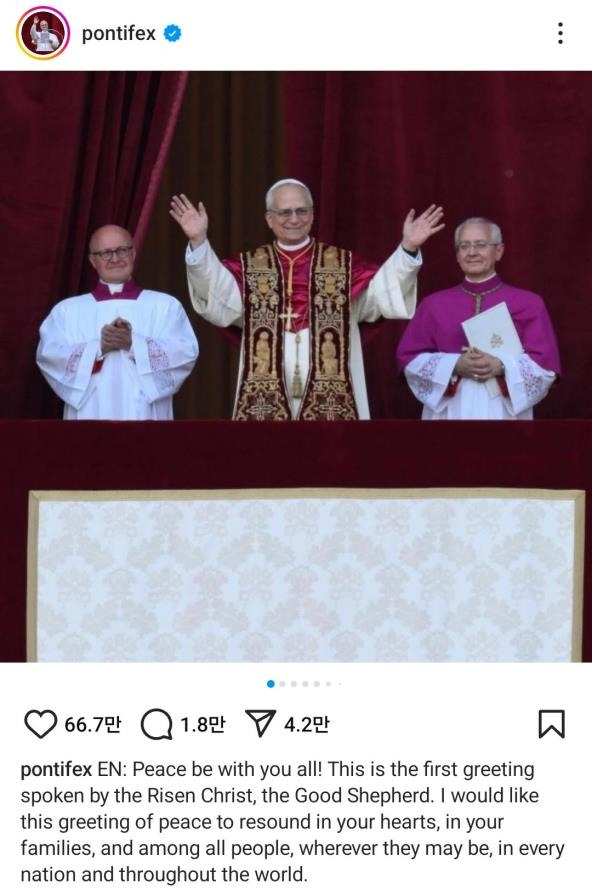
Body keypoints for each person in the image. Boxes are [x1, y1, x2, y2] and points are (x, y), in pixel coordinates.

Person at [169, 180, 444, 420]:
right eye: (285, 212)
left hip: (333, 390)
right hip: (264, 389)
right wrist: (199, 241)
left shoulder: (344, 266)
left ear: (312, 215)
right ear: (269, 219)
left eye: (302, 211)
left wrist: (408, 248)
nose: (294, 219)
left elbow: (381, 295)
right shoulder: (249, 267)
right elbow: (218, 296)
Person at [396, 217, 560, 420]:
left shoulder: (528, 303)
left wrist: (501, 365)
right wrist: (454, 364)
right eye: (464, 246)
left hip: (505, 412)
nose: (472, 252)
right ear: (457, 255)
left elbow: (545, 366)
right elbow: (409, 360)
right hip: (449, 412)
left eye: (481, 245)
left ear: (498, 251)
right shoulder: (433, 305)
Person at [37, 224, 198, 420]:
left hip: (145, 415)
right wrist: (99, 348)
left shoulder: (166, 306)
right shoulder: (66, 311)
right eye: (105, 253)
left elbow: (185, 353)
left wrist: (134, 344)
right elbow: (49, 356)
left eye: (122, 250)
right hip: (90, 414)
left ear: (133, 254)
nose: (115, 259)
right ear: (92, 260)